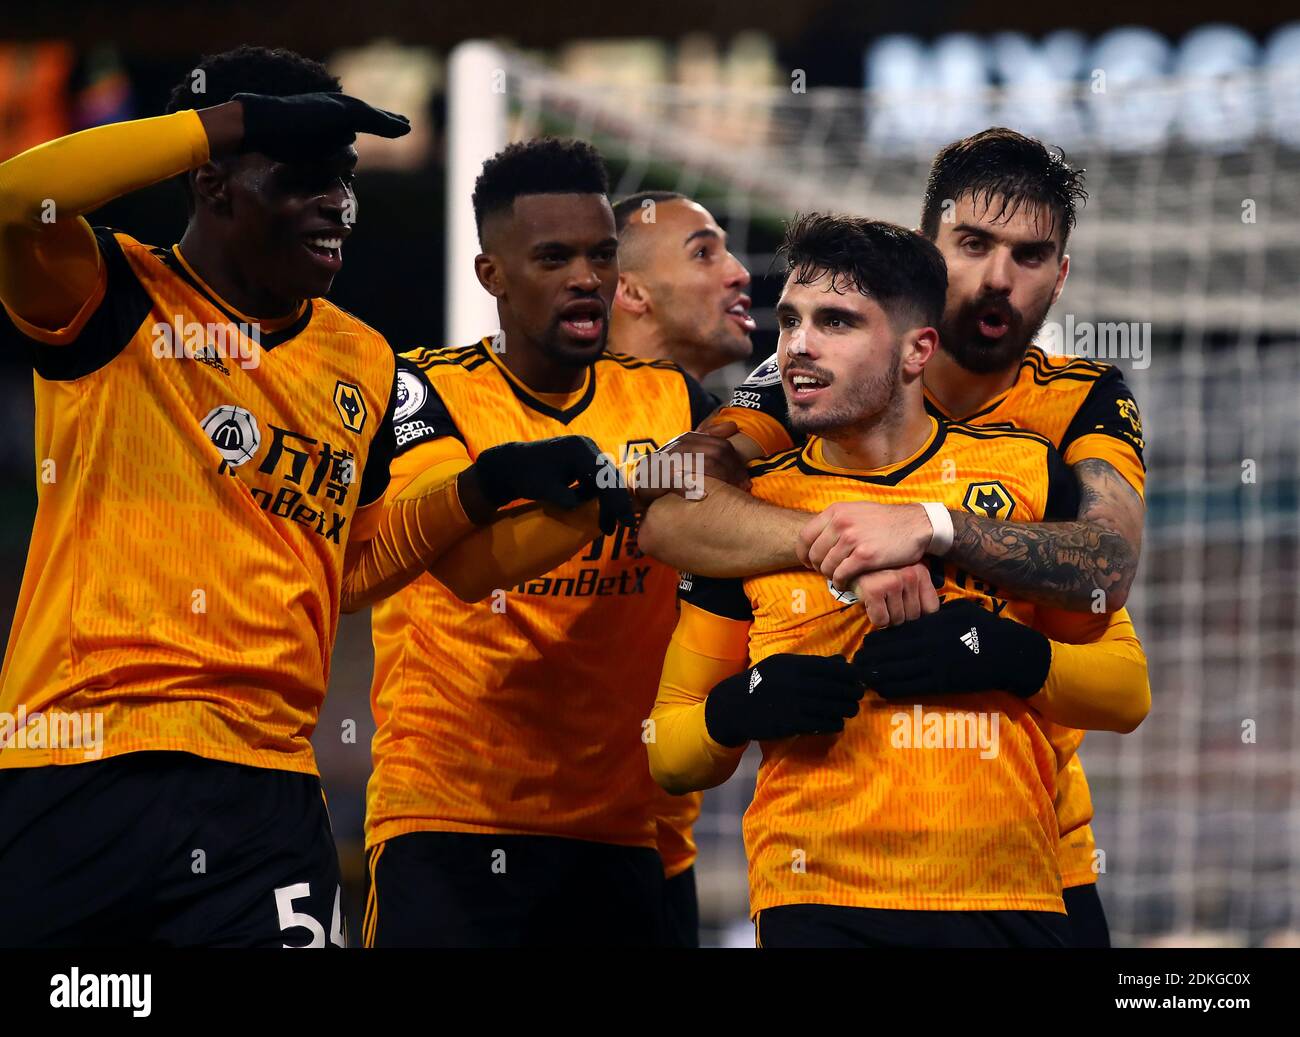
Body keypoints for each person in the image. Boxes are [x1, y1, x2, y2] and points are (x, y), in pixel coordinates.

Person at [0, 47, 619, 948]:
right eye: (301, 179)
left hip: (268, 784)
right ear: (212, 187)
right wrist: (231, 121)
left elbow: (350, 563)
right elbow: (16, 199)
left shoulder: (362, 359)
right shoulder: (114, 292)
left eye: (345, 179)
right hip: (83, 758)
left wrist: (479, 492)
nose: (338, 204)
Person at [639, 128, 1150, 946]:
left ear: (1061, 275)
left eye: (1029, 257)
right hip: (822, 886)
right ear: (928, 248)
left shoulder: (1072, 409)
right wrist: (847, 544)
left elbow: (1109, 568)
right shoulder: (809, 384)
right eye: (972, 244)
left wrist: (933, 527)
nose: (994, 280)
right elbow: (663, 505)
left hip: (1033, 859)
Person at [361, 139, 747, 947]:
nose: (585, 277)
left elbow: (731, 531)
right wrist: (627, 493)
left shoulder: (672, 399)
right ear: (490, 275)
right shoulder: (422, 387)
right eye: (552, 256)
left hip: (617, 835)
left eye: (600, 255)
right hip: (448, 822)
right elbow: (468, 567)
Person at [608, 189, 756, 944]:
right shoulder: (510, 410)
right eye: (704, 252)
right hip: (481, 839)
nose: (739, 272)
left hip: (659, 848)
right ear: (629, 290)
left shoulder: (729, 439)